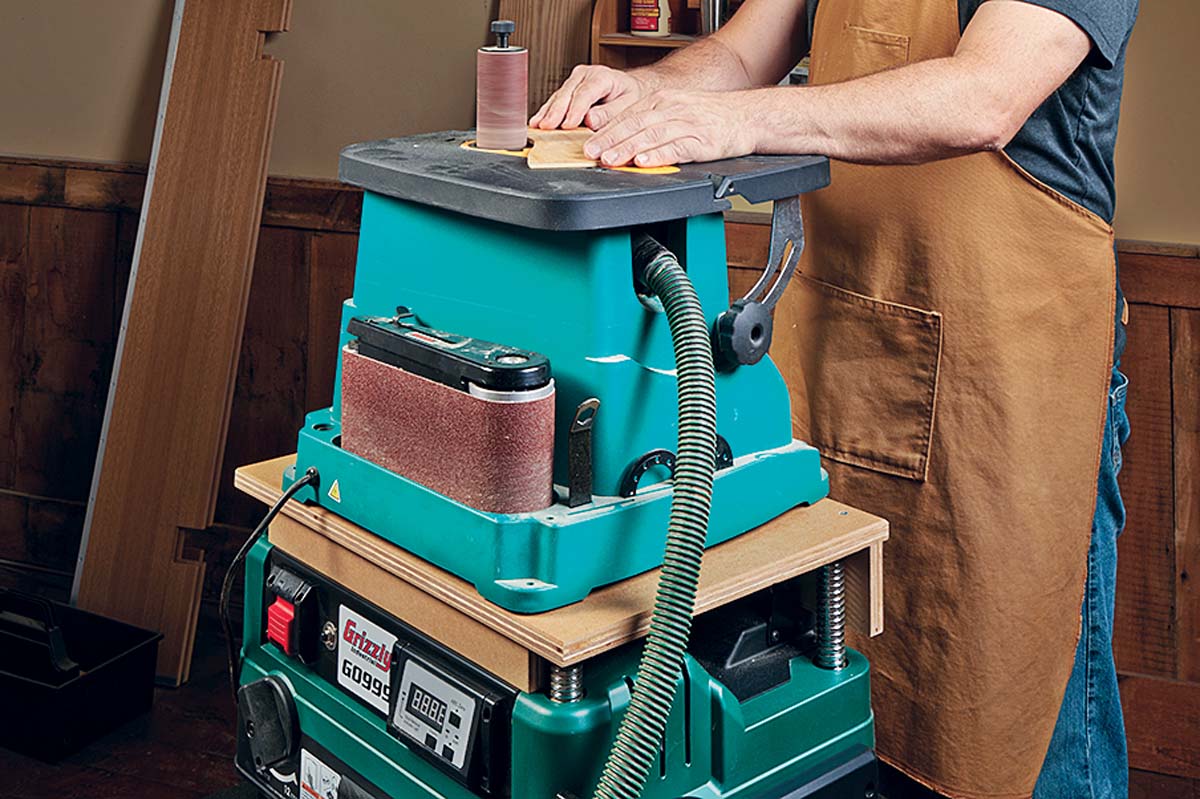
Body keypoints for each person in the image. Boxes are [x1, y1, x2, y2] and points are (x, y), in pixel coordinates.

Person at [532, 1, 1139, 797]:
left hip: (1001, 391)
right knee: (835, 710)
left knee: (1027, 728)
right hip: (838, 359)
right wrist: (644, 94)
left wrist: (732, 123)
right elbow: (738, 56)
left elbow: (984, 96)